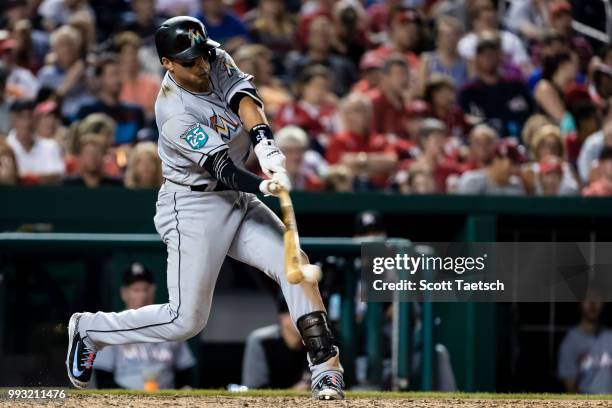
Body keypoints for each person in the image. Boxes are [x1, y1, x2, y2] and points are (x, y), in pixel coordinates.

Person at [66, 16, 345, 400]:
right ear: (167, 63)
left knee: (295, 267)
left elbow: (242, 98)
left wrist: (264, 141)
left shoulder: (212, 55)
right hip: (193, 204)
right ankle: (90, 330)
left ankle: (326, 370)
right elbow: (224, 169)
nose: (201, 65)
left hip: (237, 198)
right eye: (189, 61)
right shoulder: (172, 112)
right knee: (186, 321)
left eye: (201, 55)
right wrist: (265, 182)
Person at [92, 262, 196, 390]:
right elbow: (103, 379)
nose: (142, 296)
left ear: (153, 291)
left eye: (146, 290)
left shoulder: (170, 325)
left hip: (166, 399)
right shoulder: (111, 327)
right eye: (136, 290)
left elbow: (185, 373)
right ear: (124, 293)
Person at [458, 31, 534, 138]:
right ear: (476, 58)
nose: (488, 58)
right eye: (484, 54)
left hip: (519, 141)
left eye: (492, 53)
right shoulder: (468, 92)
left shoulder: (516, 85)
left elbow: (533, 114)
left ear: (500, 56)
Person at [76, 55, 146, 145]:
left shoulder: (135, 112)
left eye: (119, 74)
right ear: (99, 79)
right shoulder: (88, 111)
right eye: (112, 74)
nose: (117, 79)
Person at [241, 297, 309, 390]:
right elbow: (253, 388)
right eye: (297, 314)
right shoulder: (261, 340)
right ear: (282, 316)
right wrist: (294, 391)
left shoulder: (315, 341)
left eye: (307, 315)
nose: (304, 320)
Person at [558, 294, 612, 393]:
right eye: (587, 298)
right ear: (580, 303)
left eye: (597, 298)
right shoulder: (570, 342)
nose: (592, 303)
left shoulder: (610, 336)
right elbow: (570, 390)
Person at [37, 25, 91, 121]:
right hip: (59, 120)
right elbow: (44, 105)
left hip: (86, 117)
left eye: (71, 44)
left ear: (78, 47)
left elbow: (99, 95)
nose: (67, 49)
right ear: (54, 49)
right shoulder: (46, 74)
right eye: (62, 45)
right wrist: (72, 78)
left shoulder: (87, 70)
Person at [6, 99, 64, 184]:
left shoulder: (51, 145)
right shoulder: (5, 146)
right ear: (13, 120)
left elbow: (58, 174)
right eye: (23, 117)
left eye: (32, 117)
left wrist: (29, 179)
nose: (28, 122)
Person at [456, 139, 526, 195]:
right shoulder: (473, 180)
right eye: (512, 163)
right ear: (497, 160)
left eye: (518, 164)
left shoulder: (516, 187)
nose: (516, 168)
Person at [274, 125, 323, 192]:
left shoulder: (313, 184)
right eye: (289, 151)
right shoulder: (268, 183)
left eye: (300, 150)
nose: (296, 156)